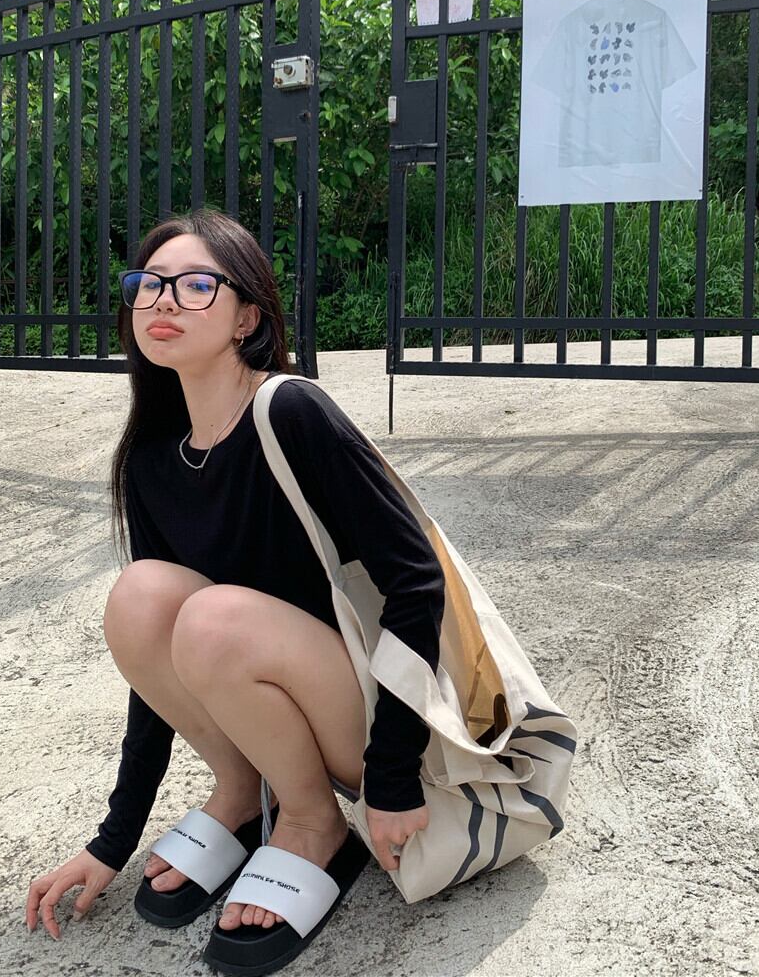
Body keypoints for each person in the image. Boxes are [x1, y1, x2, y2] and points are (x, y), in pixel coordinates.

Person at [24, 207, 446, 962]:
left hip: (371, 717)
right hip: (281, 707)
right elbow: (154, 670)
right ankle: (241, 792)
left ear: (247, 316)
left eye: (195, 285)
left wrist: (391, 778)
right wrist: (114, 838)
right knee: (140, 598)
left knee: (211, 617)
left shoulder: (292, 410)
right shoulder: (152, 458)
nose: (162, 301)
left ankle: (313, 821)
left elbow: (417, 584)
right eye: (148, 284)